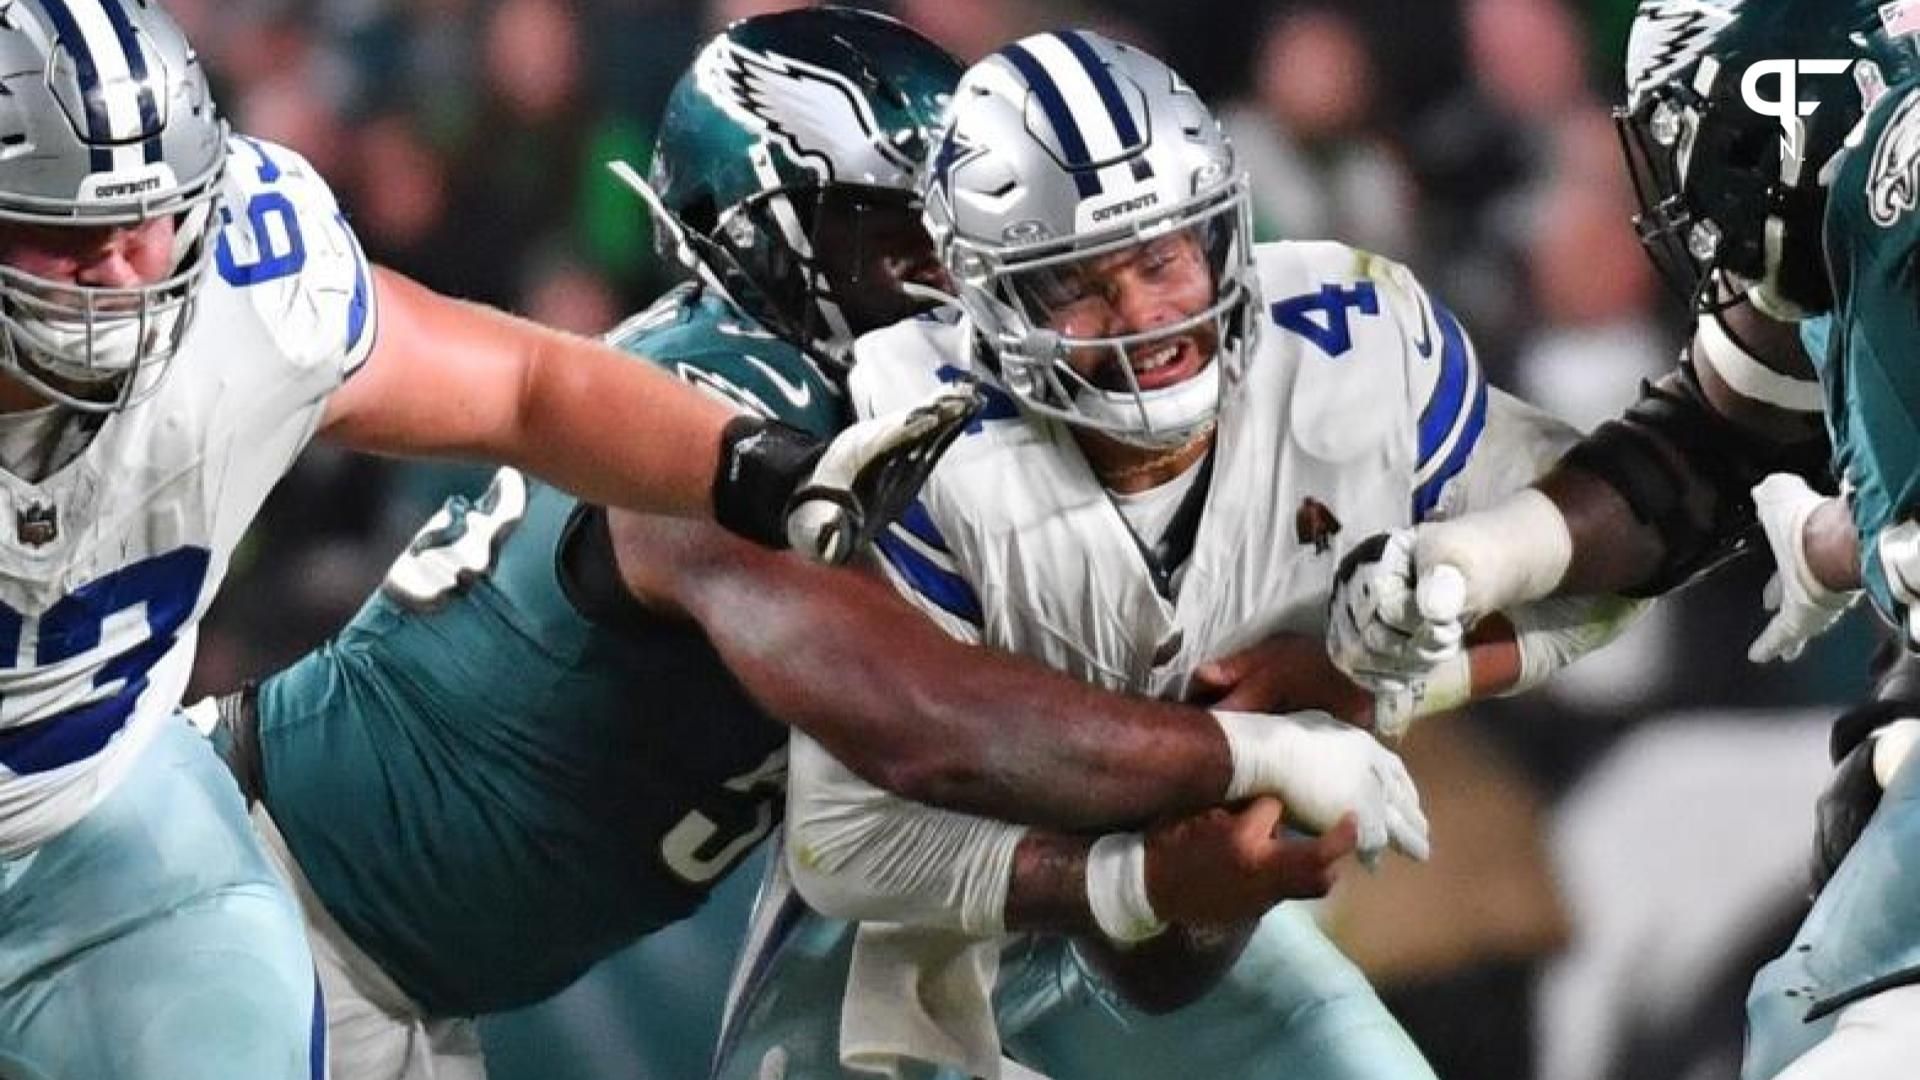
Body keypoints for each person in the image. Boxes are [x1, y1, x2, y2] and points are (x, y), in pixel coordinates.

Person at [194, 11, 1427, 1079]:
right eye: (907, 240)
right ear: (766, 235)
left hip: (383, 970)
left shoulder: (929, 437)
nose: (958, 274)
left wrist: (1176, 860)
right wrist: (1235, 751)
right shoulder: (716, 419)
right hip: (252, 898)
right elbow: (928, 724)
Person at [0, 1, 992, 1077]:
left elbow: (523, 387)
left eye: (147, 220)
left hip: (107, 793)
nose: (122, 274)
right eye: (64, 238)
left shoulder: (251, 278)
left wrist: (752, 467)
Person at [712, 30, 1645, 1080]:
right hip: (922, 957)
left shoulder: (1347, 341)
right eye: (1077, 283)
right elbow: (848, 841)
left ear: (1220, 235)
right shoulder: (913, 432)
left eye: (1159, 257)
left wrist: (1383, 676)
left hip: (1197, 956)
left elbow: (1601, 575)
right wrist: (1138, 880)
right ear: (990, 298)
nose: (1143, 315)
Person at [1322, 2, 1920, 1077]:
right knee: (1810, 1017)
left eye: (1713, 137)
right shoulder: (1850, 205)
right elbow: (1692, 455)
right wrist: (1485, 557)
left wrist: (1852, 542)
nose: (1690, 182)